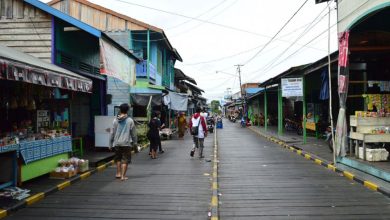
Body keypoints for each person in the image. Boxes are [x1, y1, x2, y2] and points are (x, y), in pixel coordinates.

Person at [109, 103, 137, 181]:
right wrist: (135, 143)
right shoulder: (130, 120)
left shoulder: (115, 120)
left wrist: (110, 144)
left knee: (118, 159)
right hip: (126, 143)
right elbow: (134, 134)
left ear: (120, 110)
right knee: (125, 160)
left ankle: (118, 173)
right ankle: (123, 176)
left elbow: (112, 132)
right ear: (127, 110)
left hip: (117, 143)